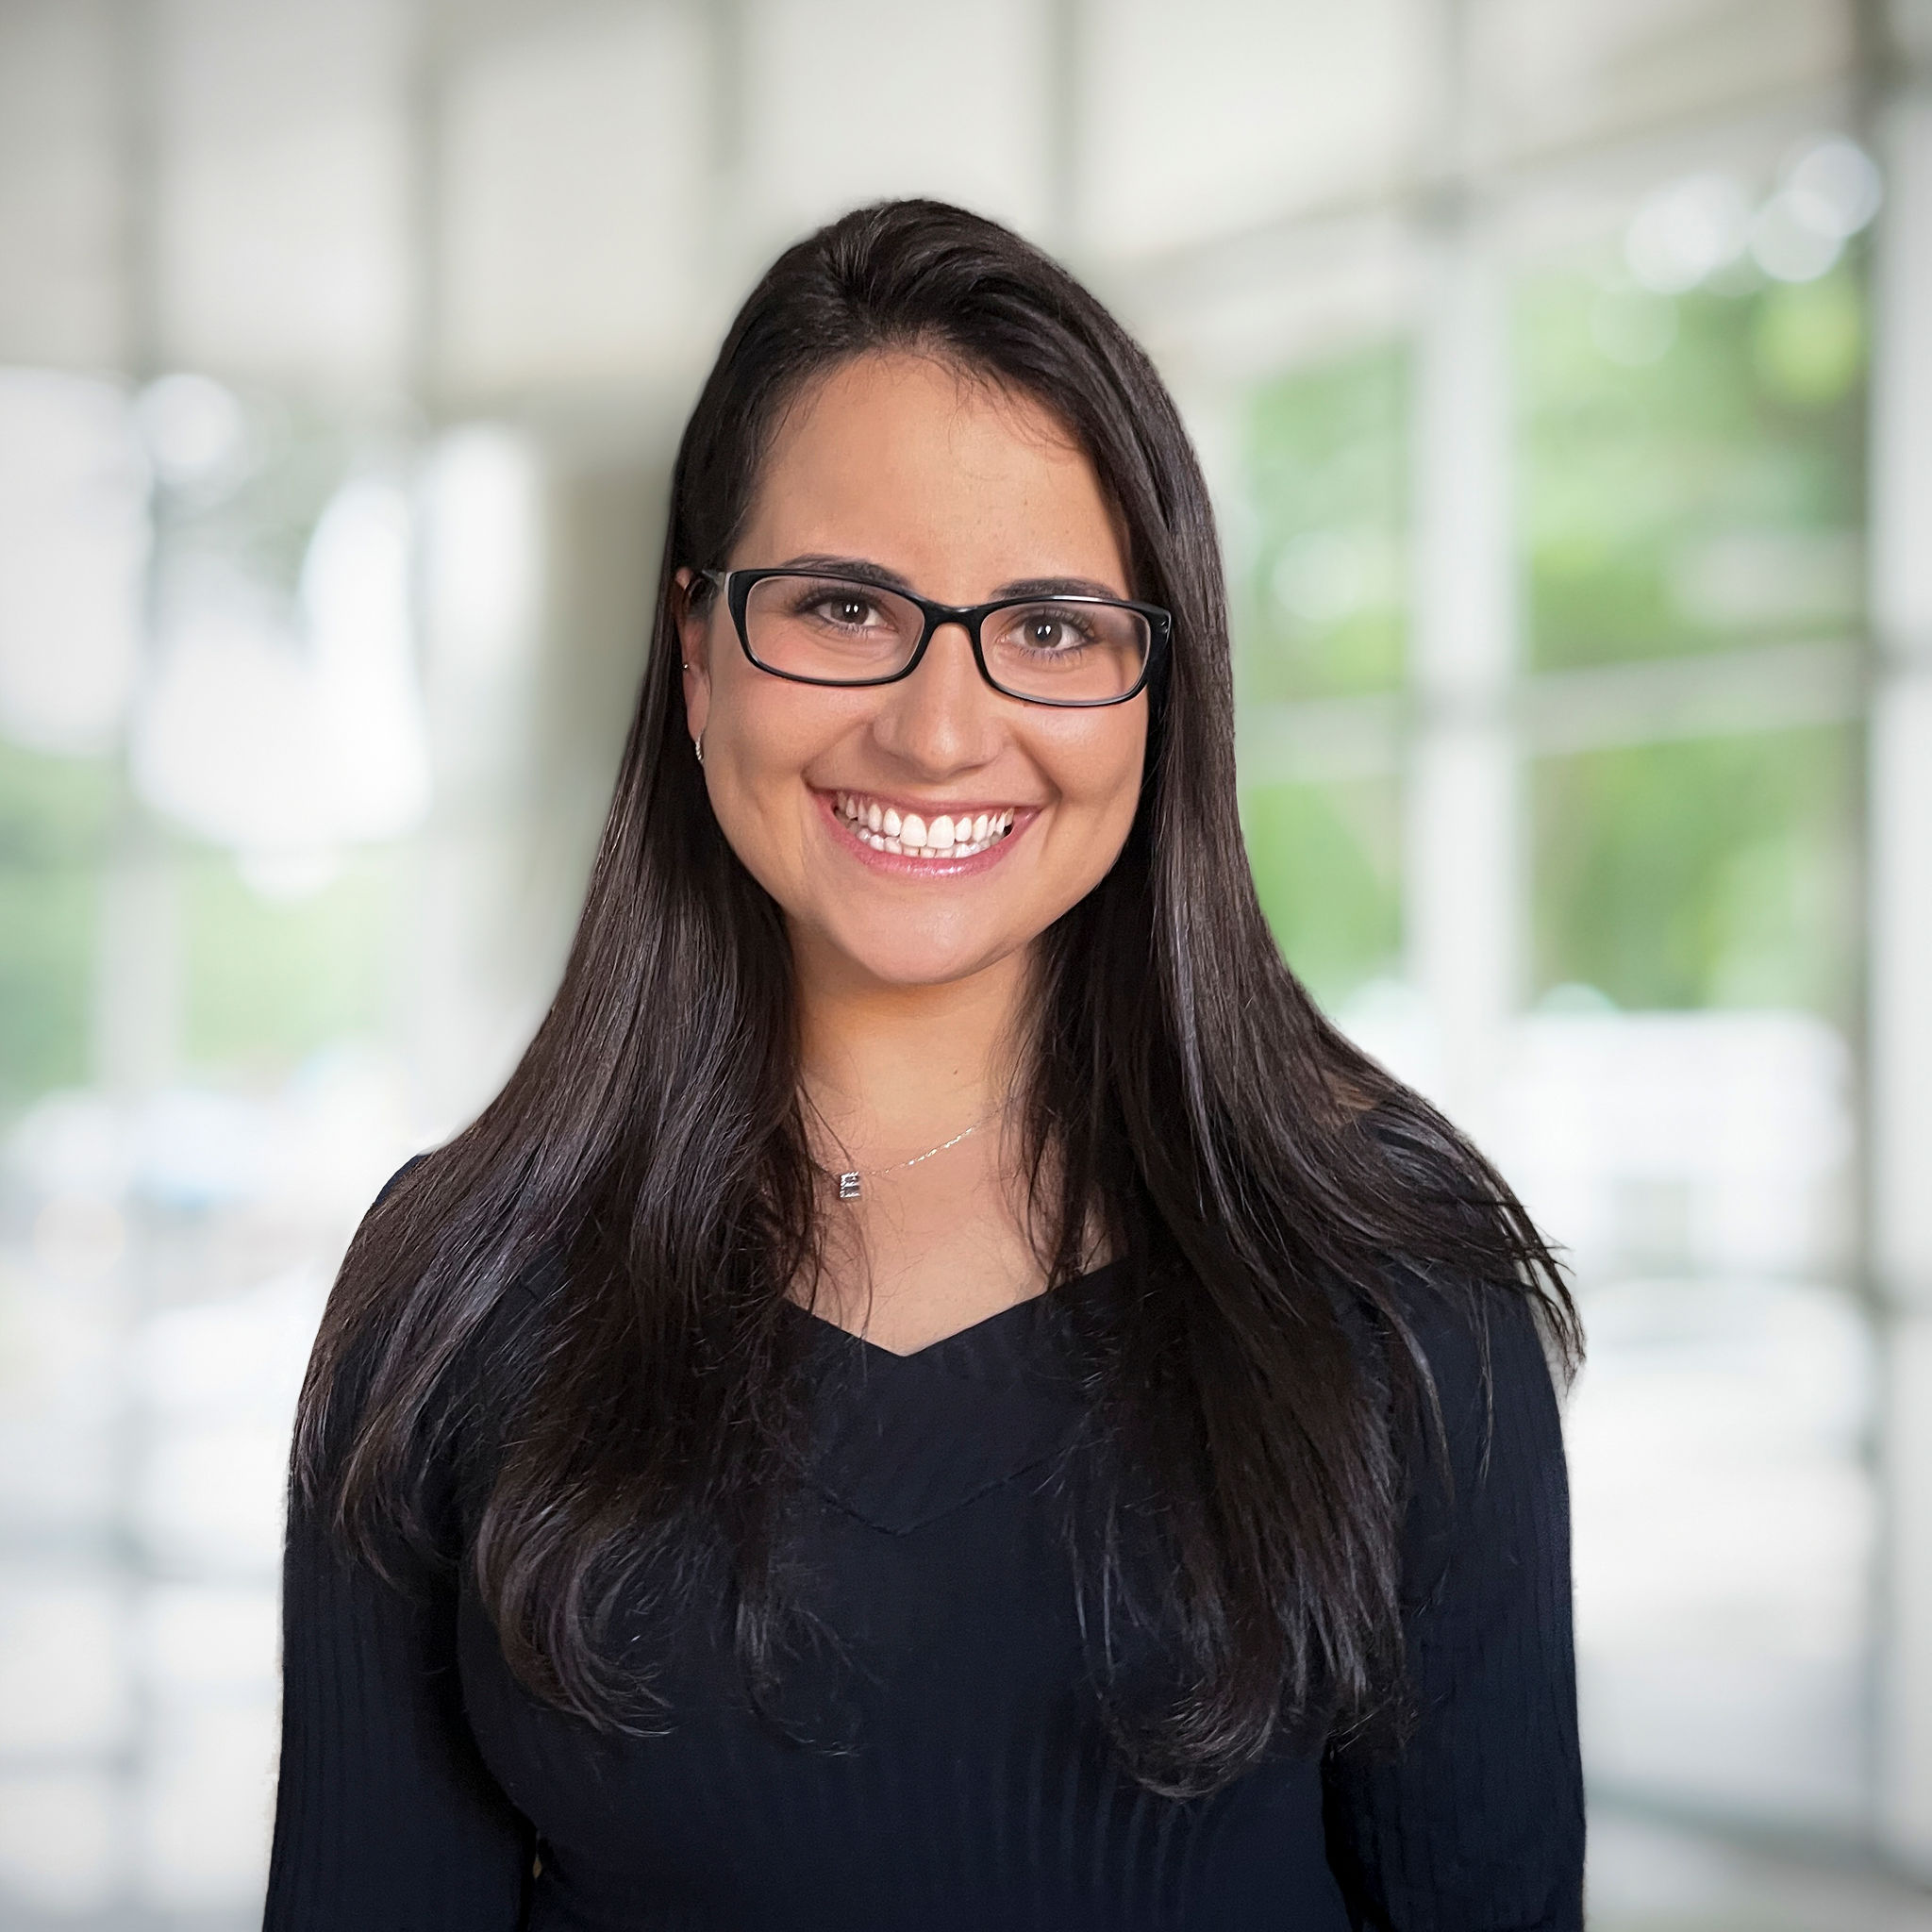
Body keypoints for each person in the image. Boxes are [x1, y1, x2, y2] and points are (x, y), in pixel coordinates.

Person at [266, 199, 1584, 1931]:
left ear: (1156, 686)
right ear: (694, 652)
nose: (942, 726)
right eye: (838, 605)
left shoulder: (1391, 1279)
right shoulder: (452, 1290)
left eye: (1048, 627)